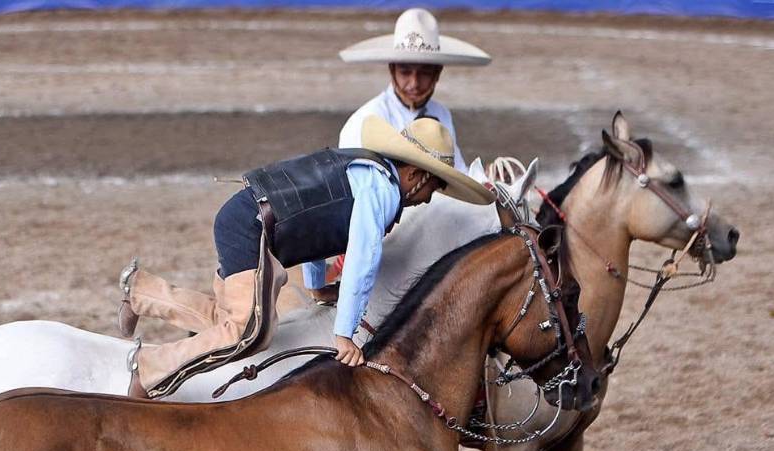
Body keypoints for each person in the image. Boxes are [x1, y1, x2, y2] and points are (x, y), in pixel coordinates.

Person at [118, 116, 495, 399]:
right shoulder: (382, 190)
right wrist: (345, 334)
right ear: (416, 174)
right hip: (252, 229)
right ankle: (149, 371)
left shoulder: (364, 170)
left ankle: (142, 291)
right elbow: (363, 256)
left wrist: (316, 289)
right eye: (435, 186)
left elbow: (321, 232)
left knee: (232, 320)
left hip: (247, 220)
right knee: (247, 331)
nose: (429, 197)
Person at [337, 7, 492, 172]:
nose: (414, 83)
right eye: (405, 72)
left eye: (424, 73)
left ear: (437, 73)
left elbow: (458, 171)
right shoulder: (366, 121)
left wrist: (486, 178)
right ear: (392, 70)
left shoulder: (441, 114)